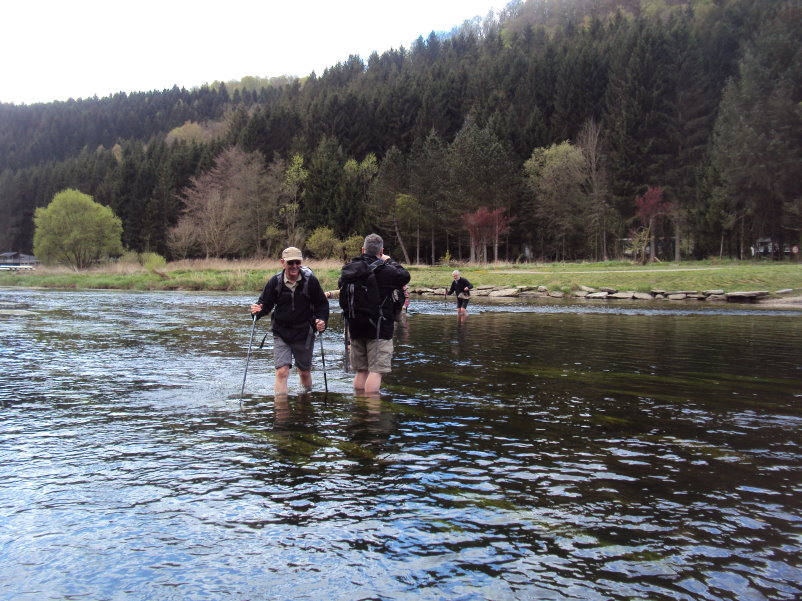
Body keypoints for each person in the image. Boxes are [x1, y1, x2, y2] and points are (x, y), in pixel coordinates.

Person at [250, 247, 329, 395]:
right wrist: (257, 312)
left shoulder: (310, 281)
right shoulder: (275, 282)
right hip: (281, 332)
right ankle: (281, 414)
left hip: (304, 332)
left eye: (297, 262)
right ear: (282, 262)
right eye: (290, 262)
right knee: (282, 372)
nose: (294, 266)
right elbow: (265, 304)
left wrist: (322, 320)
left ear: (301, 262)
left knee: (304, 372)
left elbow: (322, 304)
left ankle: (305, 403)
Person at [340, 233, 410, 394]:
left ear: (363, 249)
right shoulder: (386, 270)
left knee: (361, 371)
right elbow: (405, 276)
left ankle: (359, 410)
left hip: (355, 326)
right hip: (379, 327)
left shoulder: (350, 268)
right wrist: (389, 260)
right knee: (376, 371)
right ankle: (372, 414)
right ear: (381, 250)